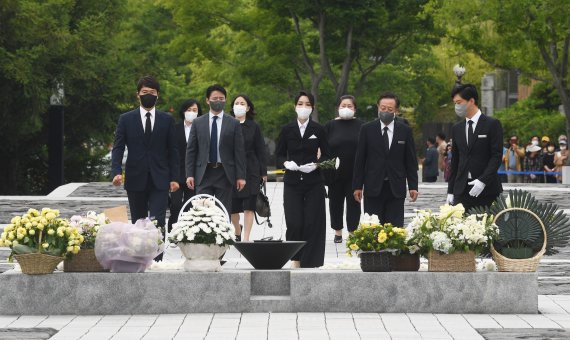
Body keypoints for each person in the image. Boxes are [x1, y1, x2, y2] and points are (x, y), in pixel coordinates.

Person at [111, 76, 179, 261]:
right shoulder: (126, 119)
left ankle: (157, 260)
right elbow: (118, 147)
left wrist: (174, 177)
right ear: (138, 95)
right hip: (135, 176)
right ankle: (140, 259)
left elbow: (173, 150)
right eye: (145, 93)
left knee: (157, 220)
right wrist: (116, 171)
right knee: (138, 222)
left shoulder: (166, 119)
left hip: (160, 178)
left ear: (158, 95)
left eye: (152, 93)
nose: (148, 96)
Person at [275, 91, 332, 268]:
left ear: (312, 107)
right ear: (295, 106)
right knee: (294, 221)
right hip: (292, 181)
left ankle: (311, 262)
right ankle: (295, 259)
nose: (303, 107)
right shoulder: (287, 129)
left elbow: (328, 155)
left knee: (312, 221)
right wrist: (286, 163)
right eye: (300, 104)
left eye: (307, 104)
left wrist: (316, 165)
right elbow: (277, 155)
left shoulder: (318, 129)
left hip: (313, 182)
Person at [353, 92, 419, 228]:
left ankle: (392, 250)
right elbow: (360, 160)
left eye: (389, 109)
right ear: (378, 107)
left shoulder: (405, 131)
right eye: (383, 108)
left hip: (396, 187)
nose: (385, 112)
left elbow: (410, 160)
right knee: (373, 228)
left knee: (395, 228)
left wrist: (413, 186)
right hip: (373, 186)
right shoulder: (367, 129)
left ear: (396, 110)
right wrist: (357, 186)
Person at [185, 84, 246, 214]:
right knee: (201, 214)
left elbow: (239, 151)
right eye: (215, 98)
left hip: (224, 173)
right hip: (203, 173)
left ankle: (224, 234)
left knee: (223, 213)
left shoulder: (233, 123)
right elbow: (191, 150)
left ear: (225, 100)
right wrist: (189, 174)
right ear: (207, 100)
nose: (218, 101)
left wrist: (241, 176)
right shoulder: (198, 122)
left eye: (221, 98)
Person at [446, 84, 503, 212]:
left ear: (471, 101)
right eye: (455, 103)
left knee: (487, 228)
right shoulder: (457, 128)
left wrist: (483, 180)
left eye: (459, 102)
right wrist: (451, 190)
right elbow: (455, 161)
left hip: (487, 190)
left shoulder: (492, 124)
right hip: (462, 189)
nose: (457, 107)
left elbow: (496, 156)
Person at [324, 95, 363, 243]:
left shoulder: (361, 126)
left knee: (354, 203)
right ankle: (338, 232)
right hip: (334, 173)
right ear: (338, 107)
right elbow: (323, 148)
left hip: (355, 173)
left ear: (355, 109)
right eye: (343, 106)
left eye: (349, 106)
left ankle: (353, 232)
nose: (346, 108)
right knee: (335, 202)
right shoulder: (330, 126)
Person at [229, 95, 267, 241]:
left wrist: (263, 172)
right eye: (236, 103)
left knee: (249, 206)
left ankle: (246, 238)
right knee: (232, 208)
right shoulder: (228, 124)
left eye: (242, 103)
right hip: (232, 170)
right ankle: (237, 230)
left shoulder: (254, 126)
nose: (239, 105)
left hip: (251, 169)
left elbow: (260, 149)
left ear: (248, 107)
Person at [168, 99, 201, 231]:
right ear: (183, 111)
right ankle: (172, 229)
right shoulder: (174, 129)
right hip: (176, 174)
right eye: (189, 110)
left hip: (194, 174)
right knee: (175, 204)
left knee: (190, 205)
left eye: (194, 110)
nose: (191, 113)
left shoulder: (202, 129)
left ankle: (186, 232)